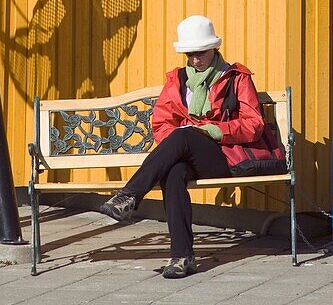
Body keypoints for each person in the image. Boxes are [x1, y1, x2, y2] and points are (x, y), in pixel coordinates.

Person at [98, 15, 266, 279]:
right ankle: (182, 257)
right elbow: (162, 123)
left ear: (214, 48)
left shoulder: (236, 77)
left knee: (183, 136)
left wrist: (213, 130)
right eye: (189, 54)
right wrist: (179, 141)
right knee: (174, 171)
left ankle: (130, 195)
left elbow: (254, 124)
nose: (195, 60)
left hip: (223, 156)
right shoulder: (177, 79)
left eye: (200, 53)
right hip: (186, 153)